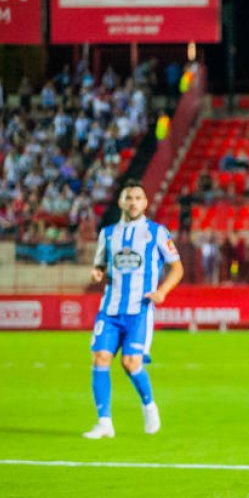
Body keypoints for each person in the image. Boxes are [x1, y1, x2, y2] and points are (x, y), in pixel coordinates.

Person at [83, 181, 183, 439]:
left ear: (145, 203)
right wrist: (97, 272)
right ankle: (104, 422)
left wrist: (162, 292)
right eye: (129, 198)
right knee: (100, 358)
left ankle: (149, 405)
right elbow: (100, 264)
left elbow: (177, 267)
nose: (133, 202)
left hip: (139, 309)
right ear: (121, 202)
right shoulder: (107, 234)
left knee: (130, 363)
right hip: (110, 308)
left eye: (138, 198)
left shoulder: (157, 232)